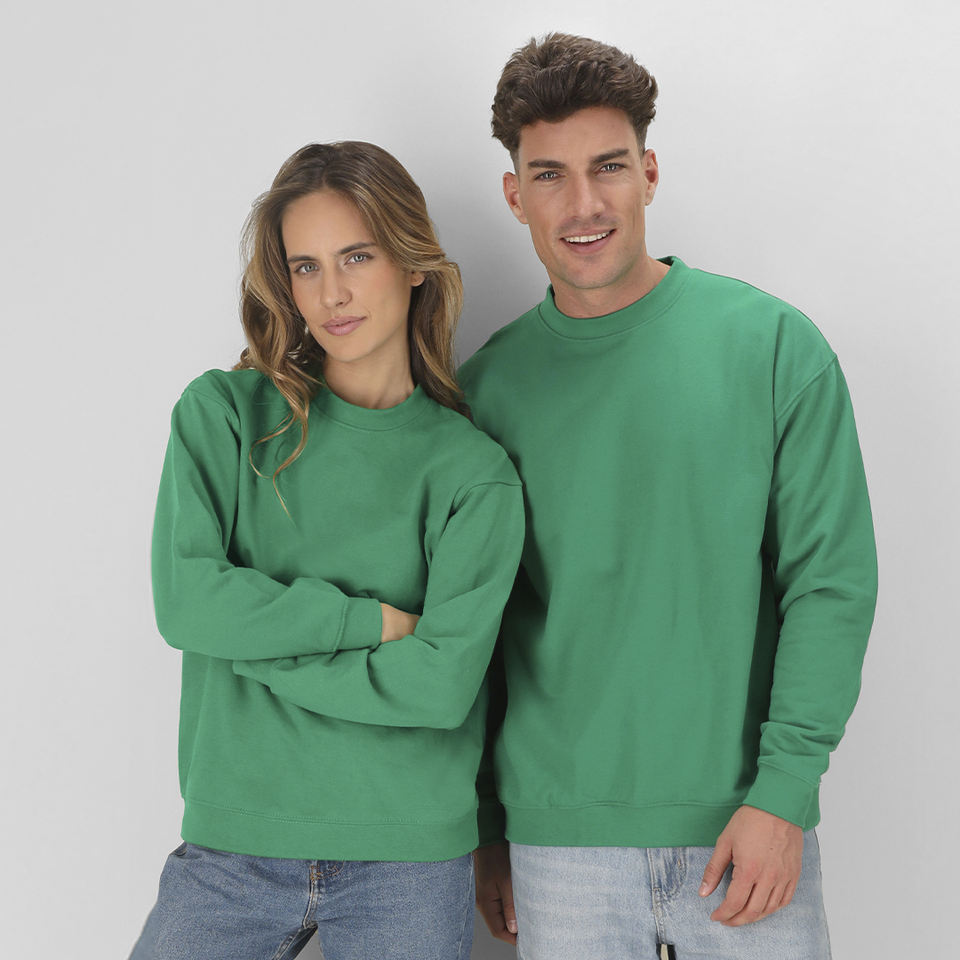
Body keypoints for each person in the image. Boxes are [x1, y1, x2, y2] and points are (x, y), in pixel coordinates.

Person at [460, 34, 877, 960]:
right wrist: (488, 823)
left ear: (648, 174)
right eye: (550, 175)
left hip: (746, 826)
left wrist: (784, 793)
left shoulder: (773, 349)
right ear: (515, 195)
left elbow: (831, 586)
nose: (583, 204)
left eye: (608, 167)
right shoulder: (486, 394)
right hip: (556, 845)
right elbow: (475, 632)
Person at [130, 141, 524, 960]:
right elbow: (187, 602)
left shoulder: (471, 473)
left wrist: (253, 653)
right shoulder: (225, 416)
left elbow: (441, 686)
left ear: (411, 264)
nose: (332, 294)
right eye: (305, 267)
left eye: (357, 256)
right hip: (232, 847)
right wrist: (367, 622)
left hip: (410, 857)